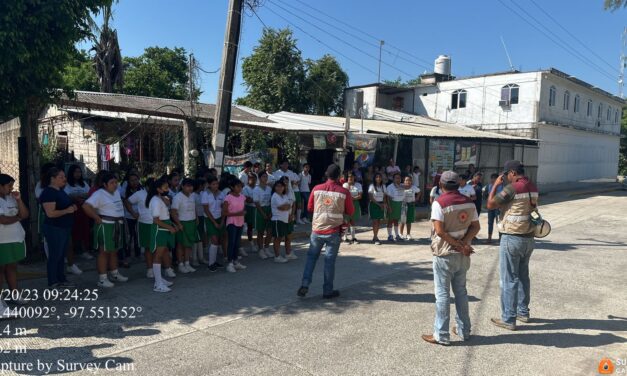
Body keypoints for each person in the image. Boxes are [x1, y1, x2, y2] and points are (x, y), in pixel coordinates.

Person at [422, 171, 479, 346]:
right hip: (462, 254)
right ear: (458, 184)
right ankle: (464, 331)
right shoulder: (469, 202)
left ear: (441, 185)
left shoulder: (440, 203)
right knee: (461, 292)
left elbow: (439, 231)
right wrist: (464, 243)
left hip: (444, 254)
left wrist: (456, 244)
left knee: (442, 294)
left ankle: (442, 334)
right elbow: (476, 227)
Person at [487, 160, 538, 330]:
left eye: (507, 174)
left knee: (509, 279)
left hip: (512, 237)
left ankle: (509, 318)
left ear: (512, 173)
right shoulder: (532, 186)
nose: (506, 178)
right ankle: (523, 312)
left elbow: (490, 204)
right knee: (523, 276)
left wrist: (495, 185)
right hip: (529, 238)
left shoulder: (513, 187)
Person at [297, 164, 353, 299]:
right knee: (329, 262)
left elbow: (310, 208)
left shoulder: (316, 189)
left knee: (311, 259)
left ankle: (305, 284)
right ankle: (327, 291)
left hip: (317, 229)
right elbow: (350, 211)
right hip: (334, 231)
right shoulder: (344, 192)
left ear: (326, 174)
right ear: (340, 176)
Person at [83, 172, 129, 288]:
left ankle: (114, 273)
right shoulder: (99, 194)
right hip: (105, 226)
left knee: (114, 250)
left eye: (116, 182)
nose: (115, 185)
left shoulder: (117, 192)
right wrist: (97, 218)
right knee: (104, 252)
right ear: (104, 184)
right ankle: (102, 279)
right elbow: (86, 206)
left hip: (117, 225)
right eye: (111, 183)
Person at [39, 167, 77, 288]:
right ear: (52, 179)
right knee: (55, 255)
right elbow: (50, 213)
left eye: (64, 176)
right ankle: (53, 281)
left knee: (61, 255)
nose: (64, 179)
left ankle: (61, 279)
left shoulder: (60, 190)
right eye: (61, 177)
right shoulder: (49, 192)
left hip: (63, 227)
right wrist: (67, 210)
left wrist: (71, 208)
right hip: (55, 228)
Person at [0, 174, 29, 312]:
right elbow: (3, 220)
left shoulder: (12, 198)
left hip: (15, 238)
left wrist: (19, 200)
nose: (11, 189)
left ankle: (15, 295)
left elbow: (24, 214)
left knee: (12, 267)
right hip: (2, 241)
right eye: (9, 186)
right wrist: (17, 217)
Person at [147, 178, 176, 293]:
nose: (167, 189)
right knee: (158, 256)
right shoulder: (155, 201)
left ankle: (160, 280)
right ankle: (158, 284)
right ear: (158, 189)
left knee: (163, 252)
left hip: (164, 228)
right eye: (165, 187)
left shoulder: (160, 199)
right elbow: (155, 220)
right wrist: (169, 227)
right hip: (160, 229)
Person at [64, 164, 91, 276]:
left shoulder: (83, 183)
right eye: (75, 172)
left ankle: (84, 250)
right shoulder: (67, 184)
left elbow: (88, 193)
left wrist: (79, 196)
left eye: (79, 172)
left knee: (84, 229)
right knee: (74, 230)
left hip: (83, 208)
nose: (78, 174)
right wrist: (76, 197)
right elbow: (67, 195)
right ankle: (72, 253)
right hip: (73, 209)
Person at [127, 177, 155, 279]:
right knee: (148, 248)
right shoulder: (139, 194)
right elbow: (128, 202)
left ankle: (158, 268)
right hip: (144, 223)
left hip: (157, 223)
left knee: (158, 247)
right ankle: (149, 269)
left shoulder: (157, 193)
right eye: (151, 187)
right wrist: (133, 213)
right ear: (146, 186)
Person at [171, 178, 199, 274]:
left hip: (191, 222)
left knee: (189, 244)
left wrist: (196, 218)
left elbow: (194, 207)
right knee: (180, 245)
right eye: (187, 186)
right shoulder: (177, 197)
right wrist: (178, 224)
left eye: (191, 186)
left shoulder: (192, 195)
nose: (190, 188)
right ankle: (180, 264)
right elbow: (173, 212)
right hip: (182, 222)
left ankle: (187, 263)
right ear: (182, 186)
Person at [222, 178, 247, 273]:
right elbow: (224, 213)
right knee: (231, 243)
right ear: (232, 187)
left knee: (237, 243)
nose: (240, 188)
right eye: (238, 186)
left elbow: (243, 209)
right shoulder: (228, 198)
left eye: (241, 186)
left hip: (240, 222)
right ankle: (230, 263)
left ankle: (236, 261)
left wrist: (243, 213)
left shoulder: (242, 197)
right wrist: (238, 214)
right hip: (232, 222)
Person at [201, 175, 225, 272]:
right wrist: (214, 222)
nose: (216, 186)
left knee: (218, 240)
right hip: (210, 219)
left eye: (217, 184)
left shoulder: (221, 193)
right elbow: (206, 210)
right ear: (209, 185)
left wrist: (222, 220)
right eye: (213, 184)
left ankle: (214, 261)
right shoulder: (205, 194)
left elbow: (224, 207)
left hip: (219, 217)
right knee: (214, 240)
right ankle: (211, 264)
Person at [120, 171, 142, 268]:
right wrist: (133, 213)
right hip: (129, 216)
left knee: (138, 235)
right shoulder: (125, 191)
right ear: (128, 182)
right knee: (129, 236)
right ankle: (128, 254)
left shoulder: (142, 189)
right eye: (132, 180)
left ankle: (138, 254)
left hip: (140, 217)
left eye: (136, 180)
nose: (134, 182)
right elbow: (126, 203)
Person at [274, 160, 303, 225]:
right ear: (280, 165)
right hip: (280, 193)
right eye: (284, 164)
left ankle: (292, 220)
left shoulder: (291, 173)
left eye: (287, 164)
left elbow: (296, 181)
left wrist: (294, 183)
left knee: (291, 205)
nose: (286, 165)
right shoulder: (276, 173)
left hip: (290, 192)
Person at [253, 172, 273, 259]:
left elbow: (272, 200)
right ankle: (261, 250)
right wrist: (263, 213)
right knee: (260, 231)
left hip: (269, 209)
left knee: (270, 231)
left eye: (266, 177)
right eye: (264, 177)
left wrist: (270, 212)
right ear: (260, 178)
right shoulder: (256, 189)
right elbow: (256, 203)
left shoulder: (269, 188)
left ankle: (267, 248)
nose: (265, 178)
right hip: (260, 210)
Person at [270, 180, 291, 264]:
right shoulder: (274, 196)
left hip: (284, 219)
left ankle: (278, 255)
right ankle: (277, 256)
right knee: (277, 238)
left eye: (281, 186)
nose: (280, 188)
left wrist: (286, 206)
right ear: (274, 187)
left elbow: (289, 206)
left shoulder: (284, 196)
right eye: (277, 186)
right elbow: (281, 207)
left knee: (280, 238)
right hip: (277, 220)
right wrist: (286, 206)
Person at [192, 178, 209, 266]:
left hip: (202, 217)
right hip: (196, 217)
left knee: (201, 236)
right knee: (196, 237)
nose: (205, 186)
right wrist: (196, 217)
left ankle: (201, 257)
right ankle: (194, 258)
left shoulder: (202, 193)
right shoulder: (193, 195)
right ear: (199, 186)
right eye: (204, 185)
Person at [342, 172, 362, 244]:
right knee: (346, 221)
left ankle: (353, 237)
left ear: (354, 178)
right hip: (346, 204)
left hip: (355, 203)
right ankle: (345, 237)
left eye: (352, 177)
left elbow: (360, 196)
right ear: (347, 178)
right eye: (349, 177)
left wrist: (352, 198)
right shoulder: (344, 185)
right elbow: (344, 195)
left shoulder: (358, 185)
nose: (351, 178)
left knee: (352, 221)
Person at [368, 172, 387, 245]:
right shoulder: (371, 186)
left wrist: (384, 204)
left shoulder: (383, 186)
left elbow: (385, 196)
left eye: (379, 177)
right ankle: (376, 237)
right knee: (375, 221)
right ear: (374, 178)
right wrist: (379, 204)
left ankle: (375, 236)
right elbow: (371, 197)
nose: (378, 178)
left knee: (378, 221)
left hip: (381, 204)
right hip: (374, 205)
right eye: (377, 177)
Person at [399, 175, 420, 240]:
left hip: (411, 205)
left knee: (409, 221)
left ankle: (408, 234)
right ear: (404, 181)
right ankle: (401, 234)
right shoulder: (401, 186)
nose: (408, 181)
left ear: (411, 181)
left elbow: (419, 192)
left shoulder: (414, 187)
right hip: (403, 205)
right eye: (406, 180)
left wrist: (416, 198)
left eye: (409, 180)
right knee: (402, 220)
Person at [385, 173, 405, 242]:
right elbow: (387, 198)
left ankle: (397, 235)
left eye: (399, 178)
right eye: (396, 178)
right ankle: (390, 235)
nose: (398, 179)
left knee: (396, 220)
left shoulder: (402, 186)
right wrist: (389, 207)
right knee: (390, 220)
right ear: (393, 179)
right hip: (392, 204)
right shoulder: (390, 187)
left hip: (400, 204)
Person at [484, 173, 502, 243]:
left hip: (498, 207)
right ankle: (489, 238)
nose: (492, 180)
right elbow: (486, 195)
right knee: (490, 222)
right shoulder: (489, 186)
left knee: (499, 223)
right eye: (491, 178)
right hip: (491, 208)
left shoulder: (501, 186)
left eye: (494, 179)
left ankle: (500, 238)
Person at [243, 173, 257, 254]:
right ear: (248, 179)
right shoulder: (245, 188)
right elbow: (248, 200)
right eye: (251, 178)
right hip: (249, 208)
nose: (253, 180)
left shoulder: (257, 187)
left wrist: (254, 199)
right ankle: (251, 243)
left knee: (256, 227)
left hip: (256, 208)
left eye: (255, 178)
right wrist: (256, 199)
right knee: (250, 226)